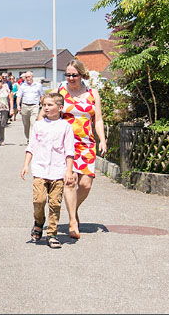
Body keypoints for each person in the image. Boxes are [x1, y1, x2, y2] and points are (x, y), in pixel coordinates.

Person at [58, 59, 107, 239]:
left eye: (74, 75)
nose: (71, 78)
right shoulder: (61, 92)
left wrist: (102, 140)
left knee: (85, 184)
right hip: (66, 144)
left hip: (86, 143)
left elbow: (99, 119)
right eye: (68, 75)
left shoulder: (92, 94)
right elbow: (51, 113)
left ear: (82, 75)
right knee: (70, 182)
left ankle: (73, 207)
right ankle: (72, 220)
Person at [20, 92, 75, 249]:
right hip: (40, 169)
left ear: (60, 108)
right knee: (39, 200)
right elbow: (31, 146)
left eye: (50, 105)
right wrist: (25, 165)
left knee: (55, 204)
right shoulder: (38, 125)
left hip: (58, 170)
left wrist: (69, 171)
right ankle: (39, 222)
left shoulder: (66, 126)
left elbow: (69, 151)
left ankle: (52, 233)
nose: (46, 108)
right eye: (44, 105)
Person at [16, 71, 45, 145]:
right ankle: (28, 138)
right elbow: (19, 96)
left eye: (29, 77)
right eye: (26, 77)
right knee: (26, 124)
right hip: (25, 106)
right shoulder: (23, 86)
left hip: (34, 106)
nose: (27, 78)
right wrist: (18, 105)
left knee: (33, 123)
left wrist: (44, 106)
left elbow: (42, 96)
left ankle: (32, 140)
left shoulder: (38, 85)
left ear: (32, 77)